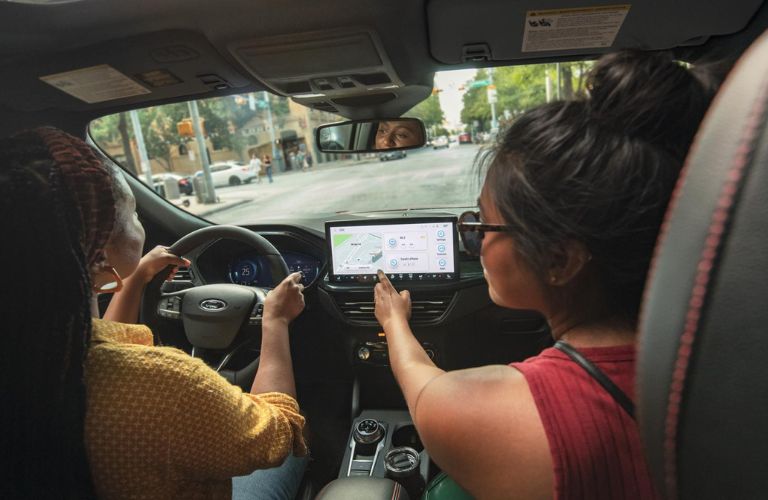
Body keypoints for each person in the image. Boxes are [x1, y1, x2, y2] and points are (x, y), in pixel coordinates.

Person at [374, 51, 716, 499]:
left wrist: (394, 322)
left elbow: (422, 389)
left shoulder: (504, 415)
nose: (471, 240)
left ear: (560, 261)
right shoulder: (720, 359)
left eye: (480, 226)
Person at [0, 128, 307, 499]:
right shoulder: (163, 386)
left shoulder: (40, 350)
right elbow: (279, 431)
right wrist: (276, 320)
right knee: (299, 447)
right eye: (133, 214)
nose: (140, 222)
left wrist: (136, 279)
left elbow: (98, 343)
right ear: (98, 252)